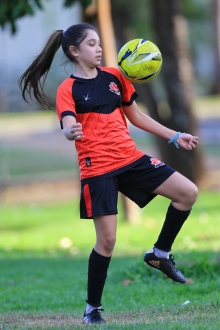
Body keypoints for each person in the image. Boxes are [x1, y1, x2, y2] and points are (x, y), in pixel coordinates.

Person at [19, 23, 199, 325]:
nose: (99, 48)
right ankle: (93, 308)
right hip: (97, 169)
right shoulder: (68, 89)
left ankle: (160, 254)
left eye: (100, 42)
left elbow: (137, 117)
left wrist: (174, 135)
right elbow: (66, 122)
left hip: (130, 159)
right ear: (74, 51)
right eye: (92, 44)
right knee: (107, 241)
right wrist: (69, 131)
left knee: (187, 193)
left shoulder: (115, 77)